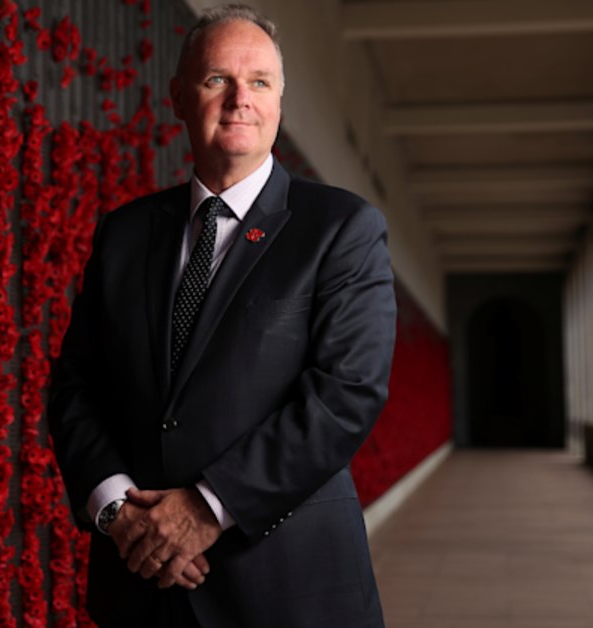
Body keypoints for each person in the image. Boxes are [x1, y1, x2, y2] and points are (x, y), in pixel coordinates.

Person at [48, 4, 395, 626]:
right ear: (180, 97)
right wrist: (119, 514)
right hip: (143, 584)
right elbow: (78, 387)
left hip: (287, 585)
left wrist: (206, 508)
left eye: (259, 82)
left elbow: (346, 394)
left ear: (279, 102)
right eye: (217, 80)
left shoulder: (342, 228)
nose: (240, 99)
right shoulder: (125, 235)